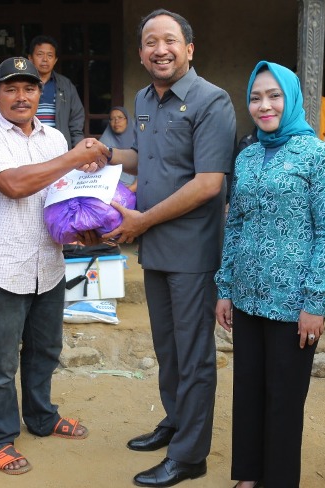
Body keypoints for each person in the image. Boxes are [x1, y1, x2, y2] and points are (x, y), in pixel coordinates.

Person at [101, 9, 236, 487]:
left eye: (170, 41)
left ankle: (190, 454)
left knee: (195, 353)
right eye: (150, 42)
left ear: (189, 48)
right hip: (154, 246)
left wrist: (140, 221)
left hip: (192, 251)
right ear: (140, 53)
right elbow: (146, 156)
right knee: (168, 349)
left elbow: (207, 184)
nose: (160, 49)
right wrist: (106, 155)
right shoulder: (141, 99)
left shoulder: (211, 101)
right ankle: (177, 422)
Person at [0, 56, 107, 475]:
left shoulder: (54, 139)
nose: (21, 96)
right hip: (5, 266)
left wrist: (85, 226)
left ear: (39, 94)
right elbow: (14, 185)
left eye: (28, 88)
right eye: (10, 88)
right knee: (2, 361)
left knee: (45, 350)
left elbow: (60, 200)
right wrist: (74, 158)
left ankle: (42, 417)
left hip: (49, 262)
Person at [215, 60, 325, 488]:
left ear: (291, 100)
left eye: (274, 96)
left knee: (284, 400)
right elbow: (235, 223)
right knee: (249, 392)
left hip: (293, 304)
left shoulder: (319, 158)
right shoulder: (248, 155)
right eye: (256, 97)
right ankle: (249, 476)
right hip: (248, 297)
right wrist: (225, 287)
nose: (264, 105)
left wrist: (316, 302)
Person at [28, 35, 85, 147]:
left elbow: (76, 122)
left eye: (50, 55)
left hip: (58, 148)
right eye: (40, 54)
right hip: (28, 145)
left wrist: (78, 149)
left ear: (55, 60)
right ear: (30, 58)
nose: (45, 59)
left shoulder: (66, 85)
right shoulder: (21, 84)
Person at [99, 106, 137, 191]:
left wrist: (130, 190)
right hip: (111, 189)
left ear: (128, 120)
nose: (116, 121)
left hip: (138, 188)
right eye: (112, 119)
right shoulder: (104, 142)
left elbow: (147, 169)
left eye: (120, 117)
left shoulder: (140, 139)